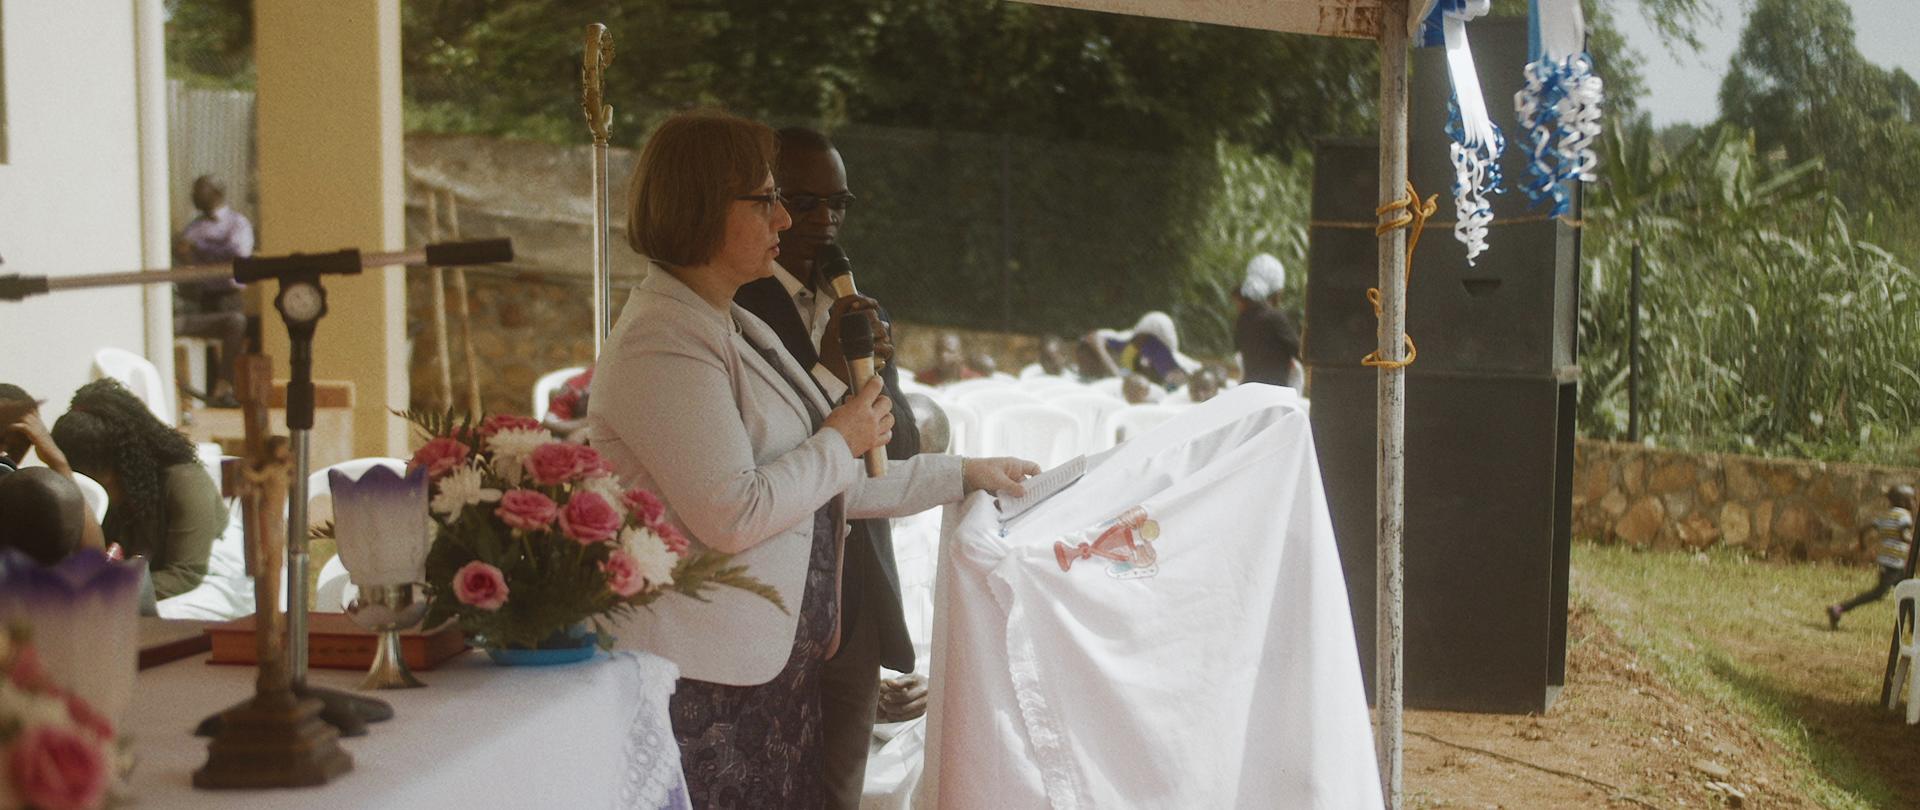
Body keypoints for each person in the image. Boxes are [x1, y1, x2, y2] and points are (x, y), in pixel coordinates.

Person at [588, 110, 1037, 809]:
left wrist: (965, 473)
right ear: (704, 205)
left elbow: (820, 481)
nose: (786, 222)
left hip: (770, 672)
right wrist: (842, 434)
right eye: (767, 200)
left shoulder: (733, 323)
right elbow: (735, 510)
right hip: (707, 680)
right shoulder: (663, 340)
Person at [731, 126, 926, 808]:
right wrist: (827, 373)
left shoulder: (859, 307)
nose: (823, 219)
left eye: (838, 203)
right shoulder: (736, 303)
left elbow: (896, 456)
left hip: (860, 588)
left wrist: (877, 369)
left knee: (841, 789)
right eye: (804, 199)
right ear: (769, 202)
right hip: (774, 590)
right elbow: (757, 456)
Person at [51, 379, 225, 600]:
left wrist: (105, 590)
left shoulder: (185, 482)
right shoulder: (104, 493)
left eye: (99, 480)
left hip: (205, 584)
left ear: (124, 462)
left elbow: (186, 575)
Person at [173, 175, 256, 408]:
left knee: (235, 329)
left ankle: (225, 389)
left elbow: (237, 253)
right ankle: (207, 396)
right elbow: (182, 251)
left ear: (217, 193)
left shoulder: (237, 224)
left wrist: (200, 248)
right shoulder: (195, 225)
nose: (194, 196)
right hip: (201, 297)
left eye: (201, 190)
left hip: (228, 296)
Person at [1827, 485, 1915, 628]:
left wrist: (1863, 545)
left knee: (1908, 592)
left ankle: (1914, 627)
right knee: (1881, 593)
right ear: (1903, 501)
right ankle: (1839, 609)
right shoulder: (1904, 515)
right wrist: (1913, 542)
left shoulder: (1887, 515)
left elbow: (1864, 529)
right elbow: (1903, 534)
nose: (1914, 503)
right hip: (1894, 564)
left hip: (1888, 562)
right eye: (1912, 499)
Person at [1234, 253, 1302, 389]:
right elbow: (1301, 352)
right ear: (1277, 291)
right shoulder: (1276, 318)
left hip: (1248, 391)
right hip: (1273, 396)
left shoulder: (1244, 317)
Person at [1085, 312, 1197, 389]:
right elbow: (1094, 337)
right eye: (1141, 336)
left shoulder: (1170, 362)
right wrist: (1099, 348)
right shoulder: (1130, 348)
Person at [914, 333, 979, 386]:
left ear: (961, 355)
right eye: (939, 350)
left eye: (949, 351)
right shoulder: (923, 379)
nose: (943, 355)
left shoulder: (974, 381)